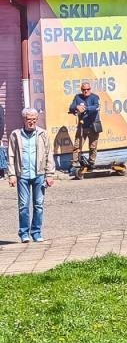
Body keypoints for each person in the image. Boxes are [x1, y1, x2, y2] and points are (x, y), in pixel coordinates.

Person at [5, 108, 55, 242]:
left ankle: (36, 232)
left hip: (39, 174)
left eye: (34, 119)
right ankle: (24, 233)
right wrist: (12, 175)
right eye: (29, 119)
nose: (31, 122)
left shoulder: (43, 134)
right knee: (23, 205)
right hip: (22, 175)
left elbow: (48, 154)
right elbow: (11, 155)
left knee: (38, 205)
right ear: (24, 120)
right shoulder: (16, 135)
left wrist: (49, 174)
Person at [67, 81, 102, 176]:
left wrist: (86, 108)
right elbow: (71, 107)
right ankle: (74, 164)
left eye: (87, 89)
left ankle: (91, 163)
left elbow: (97, 107)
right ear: (81, 90)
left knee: (93, 146)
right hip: (82, 126)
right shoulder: (78, 97)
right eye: (84, 89)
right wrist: (76, 107)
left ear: (90, 89)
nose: (86, 91)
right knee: (77, 146)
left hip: (93, 125)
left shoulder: (95, 97)